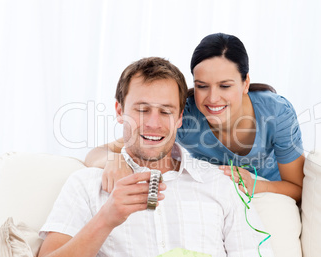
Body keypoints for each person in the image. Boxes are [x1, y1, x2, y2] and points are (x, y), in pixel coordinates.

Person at [36, 57, 274, 257]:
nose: (153, 123)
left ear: (180, 117)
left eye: (166, 111)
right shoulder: (86, 185)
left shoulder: (222, 184)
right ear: (119, 110)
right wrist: (106, 219)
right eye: (142, 109)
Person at [85, 33, 305, 202]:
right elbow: (96, 154)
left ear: (245, 82)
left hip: (270, 197)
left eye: (225, 86)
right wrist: (116, 160)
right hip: (217, 199)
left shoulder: (276, 113)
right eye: (202, 86)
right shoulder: (184, 116)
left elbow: (297, 188)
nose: (212, 98)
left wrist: (255, 184)